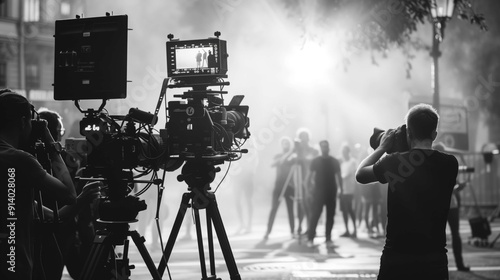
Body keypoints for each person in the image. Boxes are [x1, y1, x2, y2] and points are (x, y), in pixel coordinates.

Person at [356, 103, 458, 280]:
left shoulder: (393, 162)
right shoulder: (450, 164)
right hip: (434, 259)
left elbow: (361, 175)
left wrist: (381, 147)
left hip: (397, 257)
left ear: (409, 132)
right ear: (434, 134)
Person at [0, 90, 77, 280]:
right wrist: (51, 144)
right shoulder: (20, 160)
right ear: (22, 121)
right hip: (12, 263)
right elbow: (68, 194)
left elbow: (44, 212)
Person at [305, 140, 342, 247]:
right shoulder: (315, 161)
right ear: (320, 148)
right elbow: (308, 178)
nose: (325, 148)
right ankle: (310, 239)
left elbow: (339, 177)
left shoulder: (334, 161)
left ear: (329, 148)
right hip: (318, 193)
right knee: (315, 215)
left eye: (326, 146)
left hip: (331, 192)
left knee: (330, 216)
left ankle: (328, 239)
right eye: (323, 147)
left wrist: (341, 190)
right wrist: (308, 191)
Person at [264, 136, 296, 240]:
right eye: (284, 143)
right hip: (279, 185)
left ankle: (293, 231)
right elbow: (273, 164)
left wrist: (292, 154)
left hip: (289, 186)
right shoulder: (279, 156)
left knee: (290, 210)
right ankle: (268, 231)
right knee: (274, 208)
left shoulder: (293, 157)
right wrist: (287, 154)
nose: (285, 145)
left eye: (287, 143)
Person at [340, 144, 357, 238]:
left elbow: (348, 174)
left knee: (350, 209)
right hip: (342, 190)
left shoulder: (352, 162)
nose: (344, 154)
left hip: (350, 189)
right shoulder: (342, 164)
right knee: (344, 210)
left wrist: (340, 177)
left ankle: (354, 229)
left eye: (345, 152)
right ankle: (347, 230)